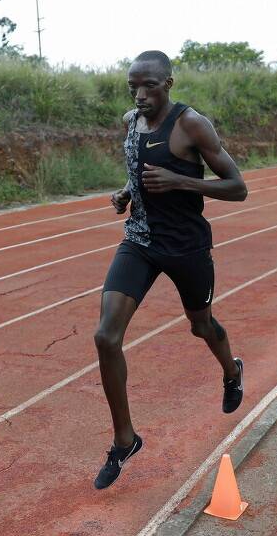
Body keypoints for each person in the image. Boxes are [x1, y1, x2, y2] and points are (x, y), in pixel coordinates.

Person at [92, 50, 248, 490]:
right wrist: (126, 193)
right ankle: (125, 439)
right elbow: (139, 171)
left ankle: (231, 370)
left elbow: (238, 188)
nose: (140, 96)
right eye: (133, 87)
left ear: (169, 83)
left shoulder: (192, 124)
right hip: (139, 242)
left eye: (149, 87)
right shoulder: (131, 121)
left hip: (186, 247)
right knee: (106, 336)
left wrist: (182, 182)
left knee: (201, 326)